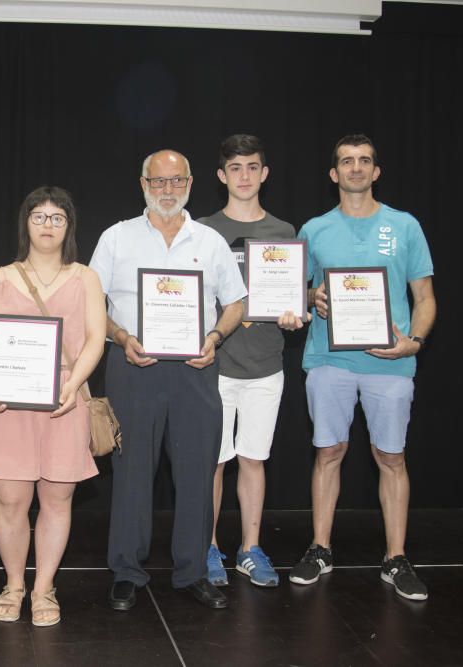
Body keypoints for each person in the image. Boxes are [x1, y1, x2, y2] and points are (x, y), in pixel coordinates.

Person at [89, 149, 246, 612]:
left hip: (196, 369)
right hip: (132, 365)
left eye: (176, 181)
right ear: (143, 185)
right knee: (132, 471)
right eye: (158, 182)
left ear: (192, 184)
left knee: (197, 471)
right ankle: (126, 571)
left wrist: (216, 335)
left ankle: (193, 571)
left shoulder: (211, 240)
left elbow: (236, 303)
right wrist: (119, 335)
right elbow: (90, 301)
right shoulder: (116, 238)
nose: (168, 190)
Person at [288, 134, 436, 601]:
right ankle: (320, 548)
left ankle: (396, 558)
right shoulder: (313, 230)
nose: (355, 168)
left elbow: (426, 298)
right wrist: (312, 296)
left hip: (389, 365)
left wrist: (414, 343)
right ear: (333, 174)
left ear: (376, 171)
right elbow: (296, 294)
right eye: (346, 162)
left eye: (364, 161)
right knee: (328, 452)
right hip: (329, 361)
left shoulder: (405, 226)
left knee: (391, 458)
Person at [0, 186, 106, 627]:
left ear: (69, 226)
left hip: (65, 400)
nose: (48, 225)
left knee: (56, 500)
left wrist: (76, 384)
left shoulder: (86, 277)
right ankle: (13, 584)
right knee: (10, 502)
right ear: (25, 223)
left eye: (57, 217)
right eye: (39, 216)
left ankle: (44, 587)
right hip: (7, 406)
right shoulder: (0, 278)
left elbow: (95, 339)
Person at [199, 134, 298, 588]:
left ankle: (250, 548)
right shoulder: (201, 230)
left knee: (254, 459)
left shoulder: (284, 233)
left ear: (265, 173)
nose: (244, 176)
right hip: (215, 366)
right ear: (222, 176)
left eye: (252, 167)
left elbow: (293, 298)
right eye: (235, 168)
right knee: (214, 463)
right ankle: (209, 547)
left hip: (266, 365)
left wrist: (293, 315)